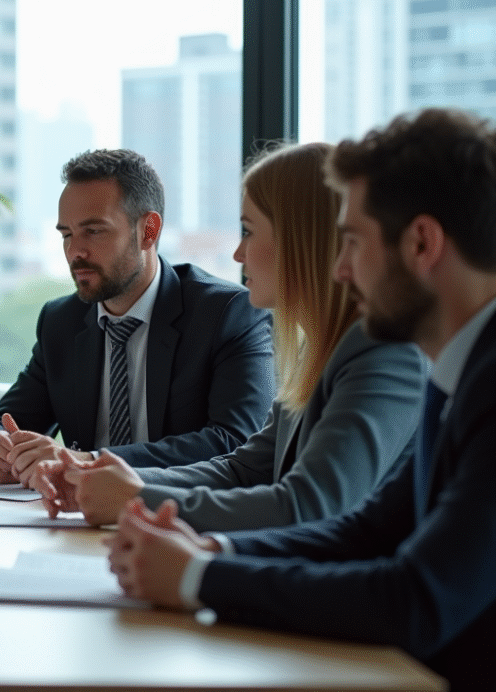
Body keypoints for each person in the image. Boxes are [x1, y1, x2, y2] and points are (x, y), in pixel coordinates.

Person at [108, 107, 496, 692]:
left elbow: (415, 598)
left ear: (422, 243)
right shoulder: (461, 369)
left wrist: (201, 578)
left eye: (353, 241)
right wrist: (212, 548)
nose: (339, 268)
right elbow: (366, 530)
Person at [30, 143, 426, 531]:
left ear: (302, 240)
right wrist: (103, 478)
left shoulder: (383, 354)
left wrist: (134, 500)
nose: (238, 254)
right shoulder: (320, 352)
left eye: (249, 231)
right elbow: (245, 468)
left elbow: (308, 505)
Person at [0, 148, 275, 486]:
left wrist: (90, 462)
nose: (75, 251)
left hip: (182, 523)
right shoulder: (61, 322)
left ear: (148, 230)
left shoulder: (226, 314)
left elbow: (234, 442)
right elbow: (2, 422)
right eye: (67, 234)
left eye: (94, 231)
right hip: (74, 525)